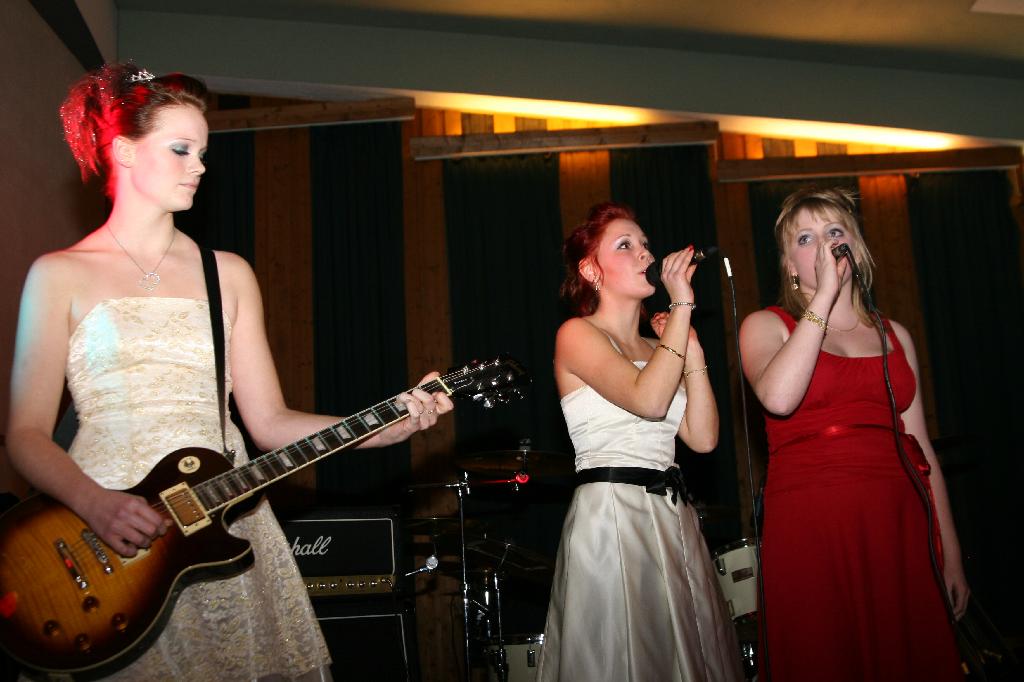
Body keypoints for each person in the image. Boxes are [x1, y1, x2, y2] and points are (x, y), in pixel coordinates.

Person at [5, 62, 453, 680]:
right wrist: (95, 504)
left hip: (222, 519)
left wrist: (385, 428)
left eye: (203, 152)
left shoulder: (228, 274)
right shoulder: (58, 274)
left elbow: (269, 423)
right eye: (181, 149)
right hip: (99, 530)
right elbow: (26, 433)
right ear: (124, 151)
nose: (199, 166)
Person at [739, 187, 968, 681]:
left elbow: (923, 449)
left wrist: (950, 553)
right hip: (814, 521)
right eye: (805, 238)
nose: (824, 244)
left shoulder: (895, 335)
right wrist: (822, 297)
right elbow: (778, 398)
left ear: (856, 249)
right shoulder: (766, 326)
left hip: (897, 520)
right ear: (790, 265)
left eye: (834, 231)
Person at [536, 202, 743, 682]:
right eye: (625, 245)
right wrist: (682, 305)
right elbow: (647, 401)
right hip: (613, 513)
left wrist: (692, 351)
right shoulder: (576, 334)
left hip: (672, 514)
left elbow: (703, 438)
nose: (645, 254)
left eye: (645, 244)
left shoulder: (659, 346)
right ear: (591, 270)